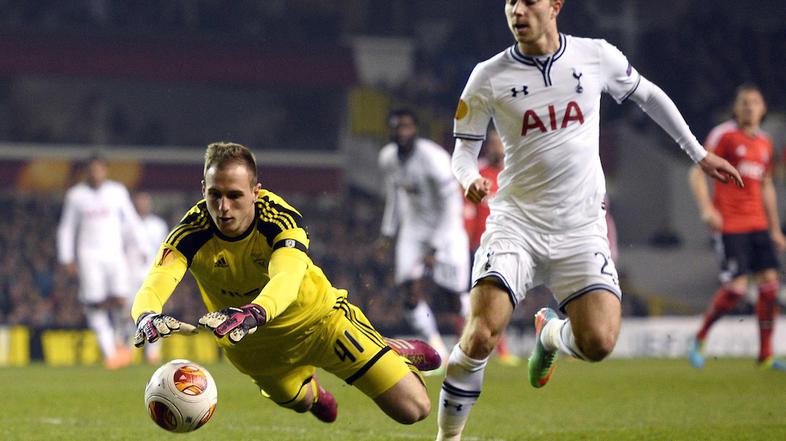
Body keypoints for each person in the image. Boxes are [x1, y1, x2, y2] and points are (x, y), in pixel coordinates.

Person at [437, 1, 743, 440]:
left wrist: (697, 152)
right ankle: (448, 438)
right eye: (510, 2)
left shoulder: (595, 55)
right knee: (482, 334)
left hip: (580, 229)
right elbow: (463, 151)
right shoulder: (488, 75)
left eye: (529, 1)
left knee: (599, 342)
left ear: (555, 6)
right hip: (516, 225)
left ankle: (549, 335)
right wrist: (469, 178)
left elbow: (648, 95)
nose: (517, 11)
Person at [131, 142, 441, 425]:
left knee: (414, 409)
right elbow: (157, 281)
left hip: (320, 324)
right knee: (303, 402)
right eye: (215, 195)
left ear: (255, 191)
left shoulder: (279, 219)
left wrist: (255, 311)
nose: (223, 207)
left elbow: (287, 277)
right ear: (204, 190)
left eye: (234, 195)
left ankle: (388, 348)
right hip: (253, 348)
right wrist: (146, 315)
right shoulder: (189, 233)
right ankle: (315, 391)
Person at [687, 85, 786, 370]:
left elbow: (766, 186)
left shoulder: (765, 143)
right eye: (744, 102)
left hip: (758, 225)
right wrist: (707, 209)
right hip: (731, 224)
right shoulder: (724, 135)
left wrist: (775, 229)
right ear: (735, 108)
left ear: (763, 109)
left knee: (770, 287)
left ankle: (765, 355)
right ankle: (700, 338)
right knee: (737, 290)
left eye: (754, 102)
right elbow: (697, 172)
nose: (749, 107)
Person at [378, 109, 471, 368]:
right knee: (410, 291)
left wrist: (436, 247)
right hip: (414, 230)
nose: (401, 132)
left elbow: (451, 204)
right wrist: (387, 233)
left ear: (415, 129)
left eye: (406, 126)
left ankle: (479, 334)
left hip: (447, 230)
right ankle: (436, 348)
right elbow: (394, 196)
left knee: (454, 297)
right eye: (396, 127)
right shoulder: (388, 158)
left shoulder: (434, 158)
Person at [57, 154, 149, 369]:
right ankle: (110, 353)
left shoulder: (117, 192)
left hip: (114, 253)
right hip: (89, 255)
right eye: (91, 169)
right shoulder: (76, 195)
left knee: (123, 300)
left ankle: (118, 341)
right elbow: (67, 227)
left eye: (99, 169)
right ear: (86, 172)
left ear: (105, 170)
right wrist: (66, 257)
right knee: (94, 303)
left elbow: (132, 220)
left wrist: (143, 246)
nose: (95, 173)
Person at [462, 126, 519, 366]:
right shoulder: (479, 175)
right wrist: (467, 242)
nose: (497, 148)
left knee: (499, 299)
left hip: (507, 245)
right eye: (493, 143)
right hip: (480, 247)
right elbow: (467, 211)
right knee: (478, 300)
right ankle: (488, 347)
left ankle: (495, 347)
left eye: (501, 142)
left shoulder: (514, 174)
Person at [127, 191, 170, 364]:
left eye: (145, 201)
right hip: (130, 275)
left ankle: (153, 353)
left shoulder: (158, 225)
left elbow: (167, 251)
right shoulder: (127, 225)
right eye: (139, 202)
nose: (142, 205)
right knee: (130, 313)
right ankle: (129, 350)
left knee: (154, 313)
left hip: (153, 275)